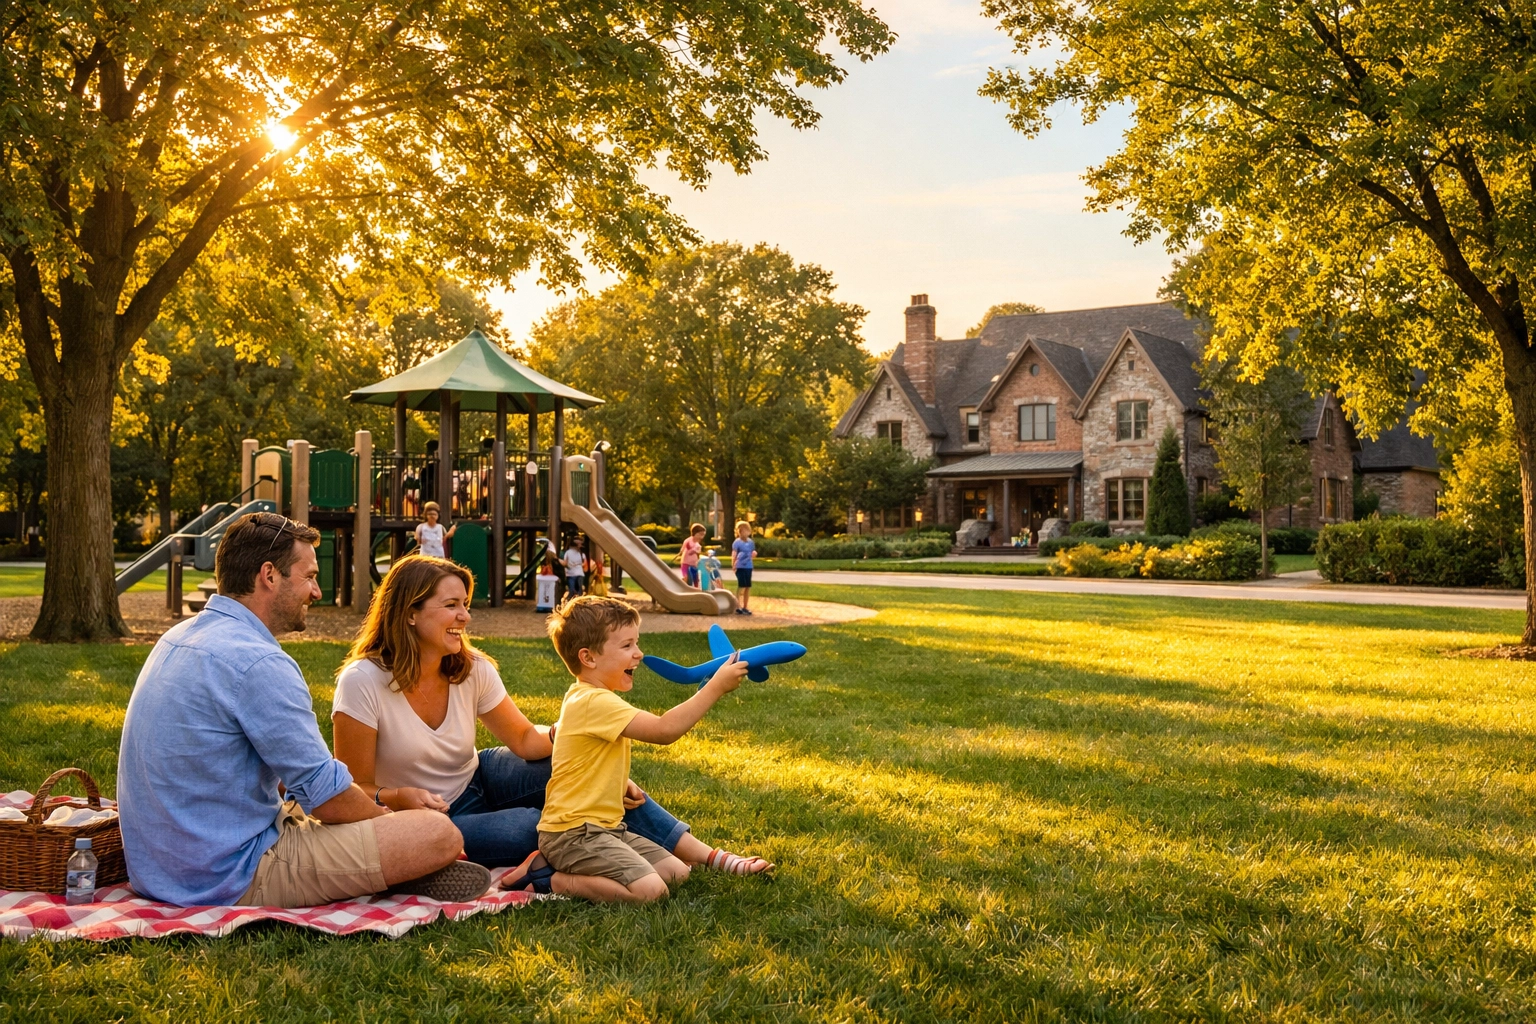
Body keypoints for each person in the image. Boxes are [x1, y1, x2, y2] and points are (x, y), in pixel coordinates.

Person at [116, 513, 488, 908]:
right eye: (309, 576)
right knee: (438, 833)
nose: (316, 591)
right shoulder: (257, 662)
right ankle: (402, 868)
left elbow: (284, 777)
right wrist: (395, 828)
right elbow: (328, 798)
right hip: (227, 874)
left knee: (346, 815)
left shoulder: (180, 636)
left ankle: (390, 867)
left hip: (162, 865)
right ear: (269, 576)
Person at [330, 557, 769, 889]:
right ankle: (545, 866)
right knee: (530, 825)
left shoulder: (471, 667)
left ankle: (707, 855)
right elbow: (354, 790)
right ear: (409, 612)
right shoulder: (363, 682)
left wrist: (583, 752)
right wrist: (400, 796)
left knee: (589, 775)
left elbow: (523, 738)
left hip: (477, 776)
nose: (465, 616)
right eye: (451, 605)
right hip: (416, 816)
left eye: (465, 604)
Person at [534, 597, 756, 902]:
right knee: (652, 892)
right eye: (627, 646)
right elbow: (664, 730)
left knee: (678, 873)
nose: (638, 653)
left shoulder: (590, 698)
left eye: (636, 643)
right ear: (588, 657)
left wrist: (616, 783)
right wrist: (714, 687)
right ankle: (549, 879)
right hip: (573, 835)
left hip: (608, 829)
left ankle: (564, 871)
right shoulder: (592, 701)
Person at [731, 520, 756, 616]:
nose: (744, 532)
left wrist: (753, 555)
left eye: (746, 530)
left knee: (747, 586)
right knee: (741, 585)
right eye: (741, 530)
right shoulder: (737, 543)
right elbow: (734, 554)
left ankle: (745, 606)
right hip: (740, 566)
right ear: (738, 531)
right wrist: (733, 565)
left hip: (748, 566)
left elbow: (752, 553)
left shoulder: (750, 542)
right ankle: (738, 606)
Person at [679, 523, 705, 588]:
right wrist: (682, 551)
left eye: (703, 535)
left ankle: (696, 590)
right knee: (687, 579)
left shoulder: (698, 544)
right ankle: (683, 586)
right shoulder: (688, 541)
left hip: (694, 564)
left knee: (696, 579)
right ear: (694, 533)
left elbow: (697, 553)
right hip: (685, 563)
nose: (701, 537)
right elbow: (684, 550)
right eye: (700, 534)